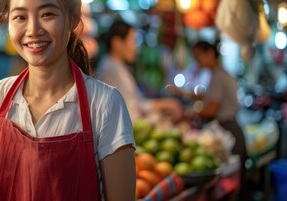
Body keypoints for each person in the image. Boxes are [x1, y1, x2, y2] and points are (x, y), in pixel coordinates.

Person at [0, 0, 136, 200]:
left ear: (73, 18)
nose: (33, 29)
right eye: (20, 17)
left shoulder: (105, 104)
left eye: (47, 14)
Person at [169, 40, 246, 198]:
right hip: (229, 130)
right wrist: (183, 93)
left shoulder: (219, 75)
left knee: (229, 186)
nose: (196, 61)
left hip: (227, 132)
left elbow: (211, 109)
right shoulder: (218, 74)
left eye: (198, 56)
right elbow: (207, 97)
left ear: (210, 54)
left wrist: (188, 113)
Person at [95, 20, 183, 122]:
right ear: (117, 43)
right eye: (133, 40)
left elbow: (136, 102)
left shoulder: (116, 66)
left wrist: (162, 104)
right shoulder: (110, 69)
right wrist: (162, 105)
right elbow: (131, 109)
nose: (135, 47)